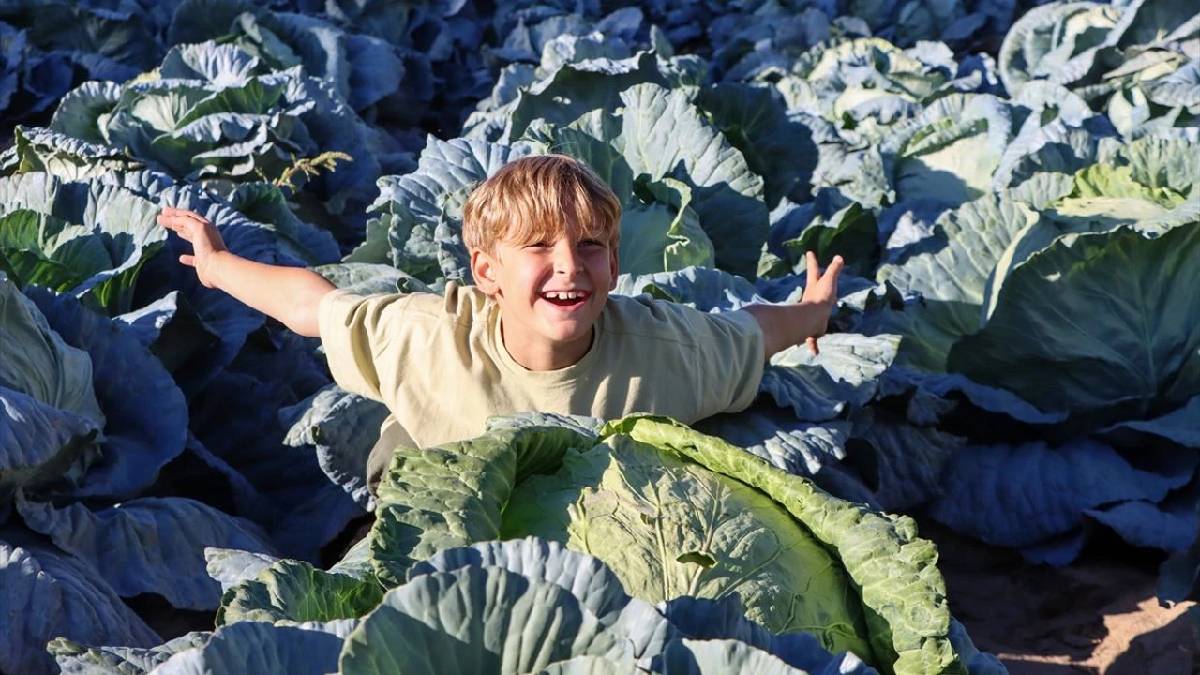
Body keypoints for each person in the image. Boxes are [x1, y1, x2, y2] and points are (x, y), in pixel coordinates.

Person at [158, 154, 844, 493]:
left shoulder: (668, 351)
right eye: (540, 248)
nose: (569, 267)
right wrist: (217, 267)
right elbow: (313, 307)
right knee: (397, 468)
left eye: (591, 247)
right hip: (445, 479)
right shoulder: (426, 338)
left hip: (592, 520)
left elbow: (751, 330)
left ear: (614, 268)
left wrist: (811, 311)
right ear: (486, 273)